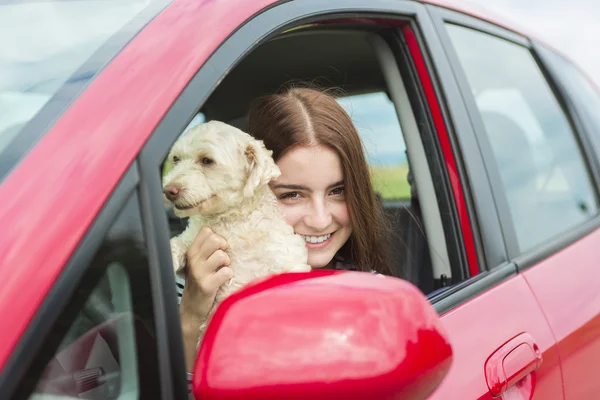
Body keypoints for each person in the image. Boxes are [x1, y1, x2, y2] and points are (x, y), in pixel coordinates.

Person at [176, 86, 393, 377]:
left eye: (338, 191)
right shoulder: (195, 277)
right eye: (292, 195)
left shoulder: (372, 295)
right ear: (249, 188)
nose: (319, 219)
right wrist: (191, 312)